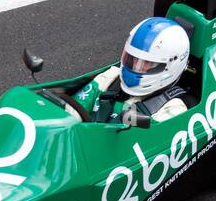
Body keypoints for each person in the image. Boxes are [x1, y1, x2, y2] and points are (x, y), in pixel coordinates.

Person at [68, 17, 197, 125]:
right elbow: (70, 113)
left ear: (171, 66)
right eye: (133, 59)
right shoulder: (110, 78)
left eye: (148, 63)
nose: (136, 66)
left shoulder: (174, 108)